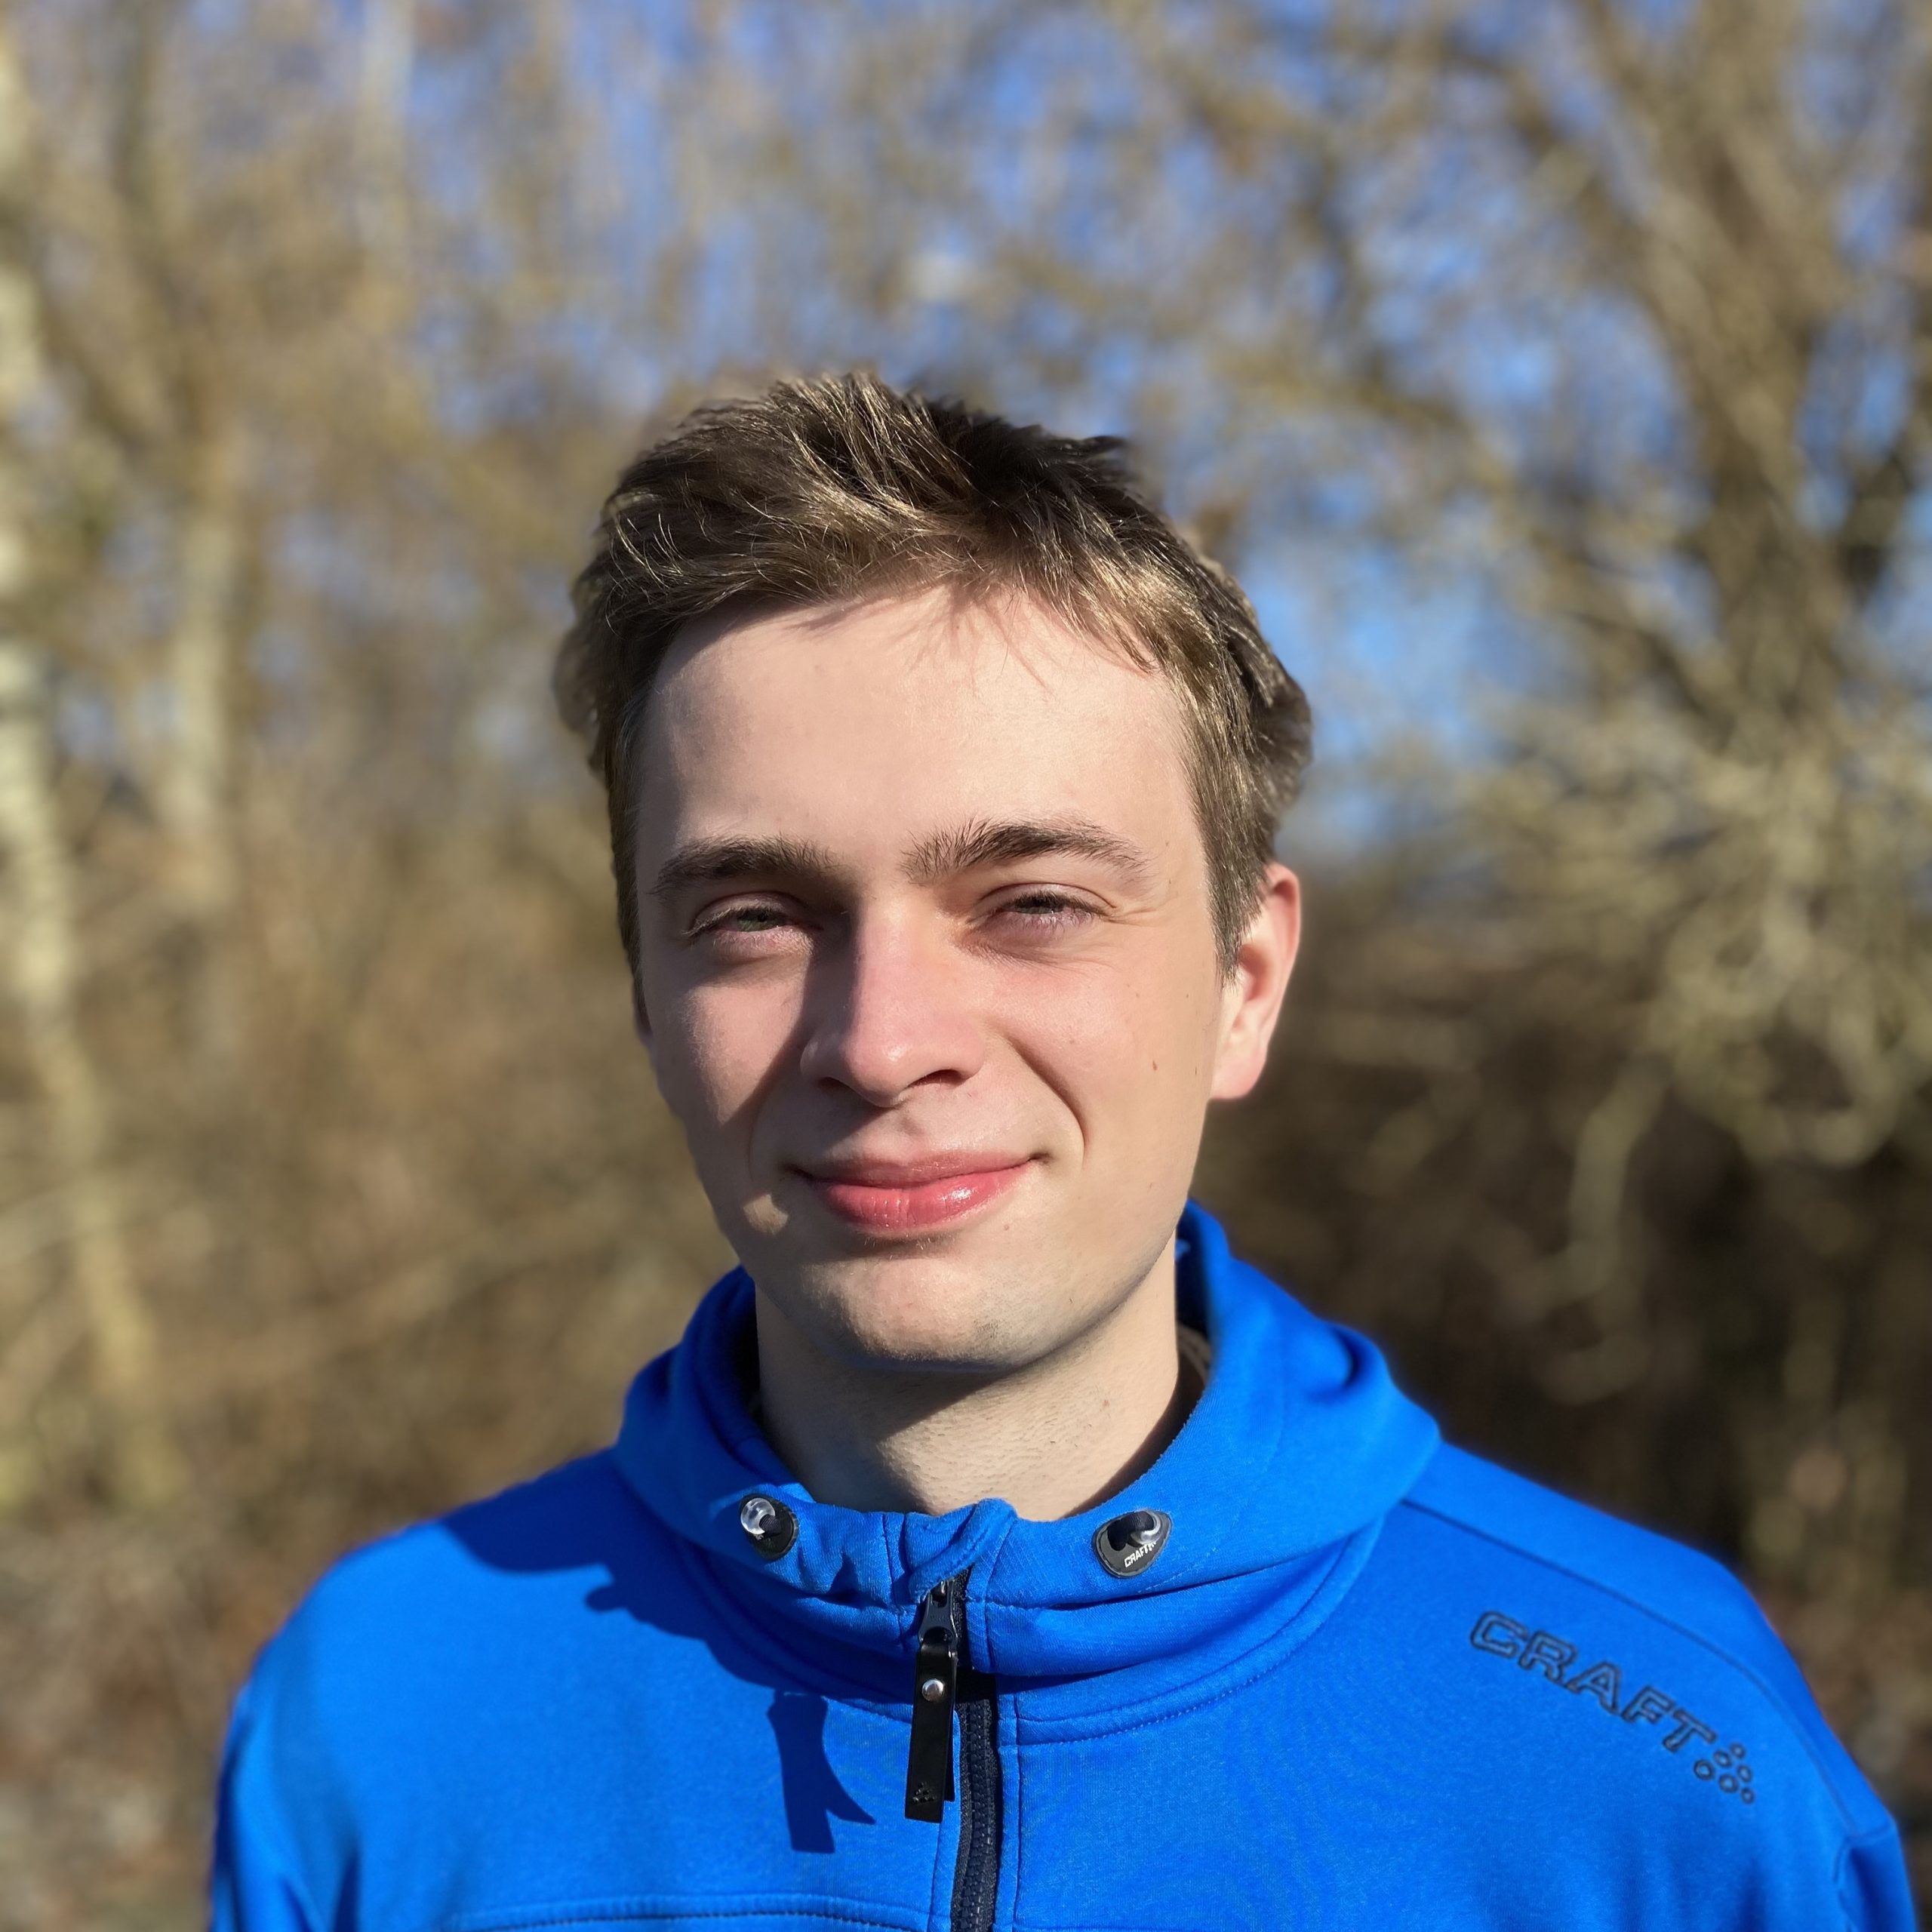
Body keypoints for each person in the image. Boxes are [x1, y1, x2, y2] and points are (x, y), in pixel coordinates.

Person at [211, 374, 1914, 1931]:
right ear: (646, 996)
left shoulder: (1662, 1763)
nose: (883, 1041)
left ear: (1244, 982)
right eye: (754, 914)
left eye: (1030, 902)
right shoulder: (379, 1719)